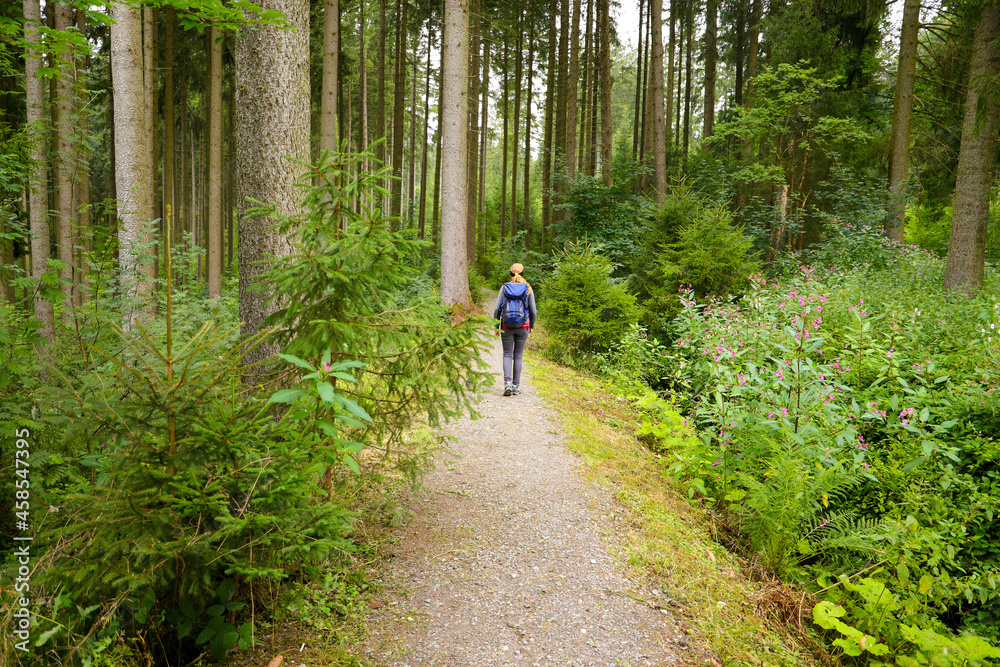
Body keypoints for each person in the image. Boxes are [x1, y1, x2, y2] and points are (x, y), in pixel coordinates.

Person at [493, 263, 537, 396]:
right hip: (523, 326)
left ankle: (507, 384)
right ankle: (515, 385)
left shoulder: (504, 288)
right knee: (518, 355)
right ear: (523, 274)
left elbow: (496, 309)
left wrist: (496, 326)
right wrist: (531, 326)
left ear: (510, 274)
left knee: (507, 354)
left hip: (506, 325)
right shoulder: (528, 288)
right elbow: (533, 310)